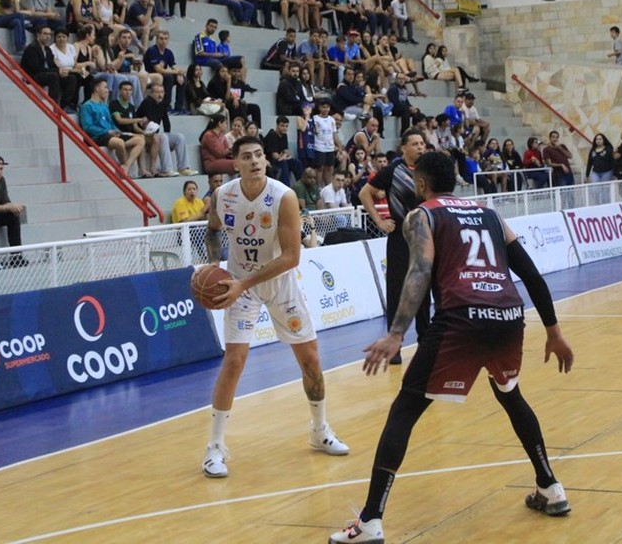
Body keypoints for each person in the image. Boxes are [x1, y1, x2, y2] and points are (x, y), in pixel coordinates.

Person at [329, 151, 574, 543]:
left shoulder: (421, 215)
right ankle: (550, 486)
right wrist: (554, 330)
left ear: (421, 183)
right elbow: (528, 272)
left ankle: (370, 521)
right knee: (511, 395)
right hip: (509, 315)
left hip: (462, 318)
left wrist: (396, 334)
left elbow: (420, 271)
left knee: (404, 409)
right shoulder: (491, 215)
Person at [200, 135, 349, 478]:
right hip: (241, 286)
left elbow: (292, 257)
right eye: (247, 156)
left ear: (265, 159)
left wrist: (241, 283)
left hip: (279, 284)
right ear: (234, 163)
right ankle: (215, 448)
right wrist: (214, 269)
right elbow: (211, 230)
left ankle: (319, 429)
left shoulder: (283, 197)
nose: (254, 161)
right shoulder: (224, 195)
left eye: (259, 155)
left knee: (310, 358)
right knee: (234, 361)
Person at [358, 129, 430, 364]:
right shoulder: (392, 170)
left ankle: (425, 341)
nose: (420, 147)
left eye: (422, 143)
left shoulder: (428, 169)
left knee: (423, 289)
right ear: (404, 148)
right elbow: (364, 193)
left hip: (425, 238)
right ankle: (394, 348)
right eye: (416, 144)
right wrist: (379, 221)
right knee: (397, 291)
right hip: (399, 239)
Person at [79, 78, 145, 175]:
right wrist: (107, 132)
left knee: (140, 140)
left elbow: (111, 123)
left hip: (110, 134)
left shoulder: (104, 105)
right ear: (97, 89)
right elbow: (87, 127)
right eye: (105, 87)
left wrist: (117, 131)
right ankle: (124, 170)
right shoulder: (87, 106)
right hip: (97, 137)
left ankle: (125, 166)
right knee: (119, 142)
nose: (107, 90)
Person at [21, 25, 63, 106]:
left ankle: (66, 105)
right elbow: (36, 68)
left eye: (49, 34)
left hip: (45, 73)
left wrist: (61, 71)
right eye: (45, 34)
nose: (48, 37)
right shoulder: (32, 48)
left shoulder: (47, 49)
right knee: (53, 76)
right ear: (38, 34)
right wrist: (56, 71)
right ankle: (53, 104)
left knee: (70, 78)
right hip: (33, 76)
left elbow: (52, 65)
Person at [264, 115, 302, 186]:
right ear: (277, 125)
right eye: (282, 126)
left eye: (286, 126)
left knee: (296, 163)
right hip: (270, 162)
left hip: (281, 159)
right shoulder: (272, 135)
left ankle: (302, 186)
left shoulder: (284, 135)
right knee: (283, 164)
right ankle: (286, 188)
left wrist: (284, 155)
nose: (285, 128)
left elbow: (287, 151)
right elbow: (275, 156)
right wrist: (284, 155)